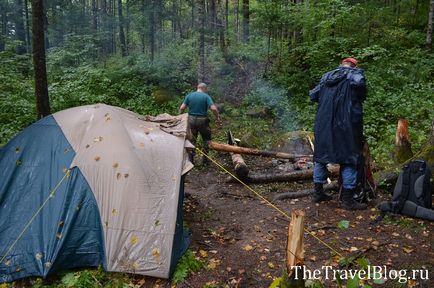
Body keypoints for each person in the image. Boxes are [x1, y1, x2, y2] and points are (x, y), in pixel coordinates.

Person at [309, 57, 367, 210]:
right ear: (354, 66)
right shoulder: (356, 76)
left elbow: (313, 95)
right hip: (346, 126)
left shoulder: (327, 77)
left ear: (341, 64)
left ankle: (318, 193)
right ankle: (348, 200)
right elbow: (361, 90)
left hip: (324, 124)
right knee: (349, 159)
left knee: (321, 158)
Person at [179, 83, 221, 165]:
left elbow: (182, 108)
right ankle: (205, 161)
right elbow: (213, 109)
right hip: (202, 121)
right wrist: (217, 118)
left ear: (197, 88)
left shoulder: (189, 95)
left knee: (192, 139)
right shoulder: (206, 96)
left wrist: (180, 117)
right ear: (204, 88)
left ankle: (190, 161)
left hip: (190, 120)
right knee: (206, 139)